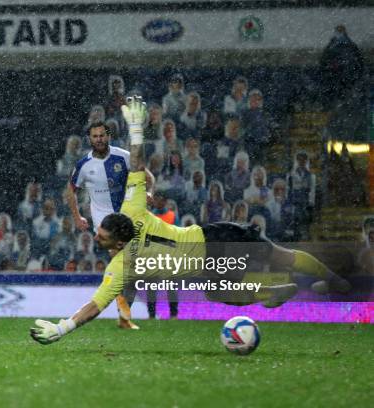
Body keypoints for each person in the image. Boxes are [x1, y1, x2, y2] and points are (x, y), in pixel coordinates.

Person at [30, 97, 350, 345]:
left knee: (279, 258)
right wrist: (137, 129)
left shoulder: (121, 265)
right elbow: (139, 163)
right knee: (227, 287)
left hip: (214, 243)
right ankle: (274, 292)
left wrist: (62, 328)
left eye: (100, 236)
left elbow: (95, 306)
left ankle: (331, 280)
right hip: (214, 243)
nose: (95, 238)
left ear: (117, 242)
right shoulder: (132, 209)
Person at [66, 120, 153, 329]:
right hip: (105, 224)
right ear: (90, 139)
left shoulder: (122, 156)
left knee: (134, 268)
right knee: (121, 262)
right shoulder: (83, 165)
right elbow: (70, 190)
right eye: (95, 136)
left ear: (109, 136)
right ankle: (124, 316)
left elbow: (148, 176)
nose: (99, 139)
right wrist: (77, 217)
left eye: (102, 135)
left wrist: (149, 192)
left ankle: (128, 314)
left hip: (129, 218)